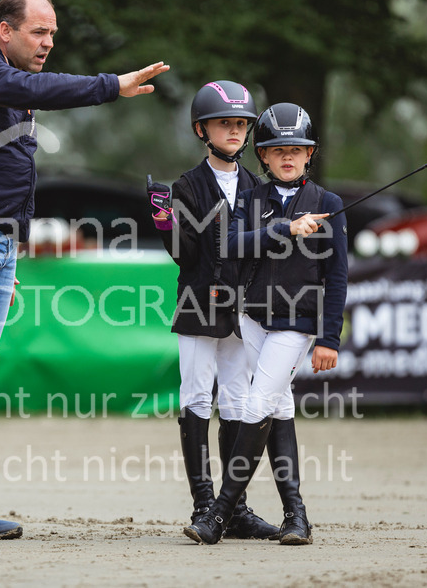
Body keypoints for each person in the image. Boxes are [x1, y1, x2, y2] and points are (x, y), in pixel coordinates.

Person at [0, 0, 169, 541]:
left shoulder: (7, 84)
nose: (49, 42)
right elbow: (34, 87)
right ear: (5, 31)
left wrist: (19, 237)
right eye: (40, 31)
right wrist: (110, 85)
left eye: (53, 32)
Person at [183, 102, 348, 546]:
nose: (288, 157)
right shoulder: (253, 199)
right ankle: (297, 516)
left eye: (297, 149)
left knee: (256, 405)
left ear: (310, 154)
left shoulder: (328, 205)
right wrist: (286, 229)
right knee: (279, 408)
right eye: (278, 150)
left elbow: (337, 278)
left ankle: (218, 514)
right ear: (265, 157)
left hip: (295, 325)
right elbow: (231, 243)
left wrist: (328, 336)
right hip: (253, 320)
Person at [149, 81, 280, 541]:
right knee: (197, 396)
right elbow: (184, 253)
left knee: (239, 401)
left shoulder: (256, 187)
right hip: (199, 300)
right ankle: (204, 501)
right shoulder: (188, 185)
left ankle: (233, 506)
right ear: (202, 129)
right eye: (225, 124)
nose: (234, 131)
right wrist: (166, 222)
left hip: (243, 307)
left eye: (241, 124)